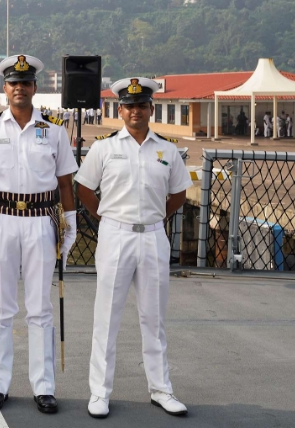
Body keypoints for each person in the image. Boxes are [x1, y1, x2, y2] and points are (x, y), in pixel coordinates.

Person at [75, 77, 193, 419]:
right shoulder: (104, 148)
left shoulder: (167, 149)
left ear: (150, 109)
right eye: (129, 106)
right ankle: (99, 393)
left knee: (153, 317)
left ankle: (161, 389)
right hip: (116, 235)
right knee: (106, 317)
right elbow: (84, 186)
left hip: (153, 236)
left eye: (142, 105)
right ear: (120, 109)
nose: (135, 111)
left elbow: (179, 194)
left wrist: (156, 216)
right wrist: (104, 217)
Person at [0, 54, 78, 414]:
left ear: (35, 88)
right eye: (14, 83)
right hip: (1, 218)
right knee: (1, 307)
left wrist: (70, 221)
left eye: (26, 82)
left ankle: (43, 386)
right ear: (5, 88)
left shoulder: (54, 130)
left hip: (41, 219)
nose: (20, 88)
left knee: (40, 307)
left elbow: (65, 182)